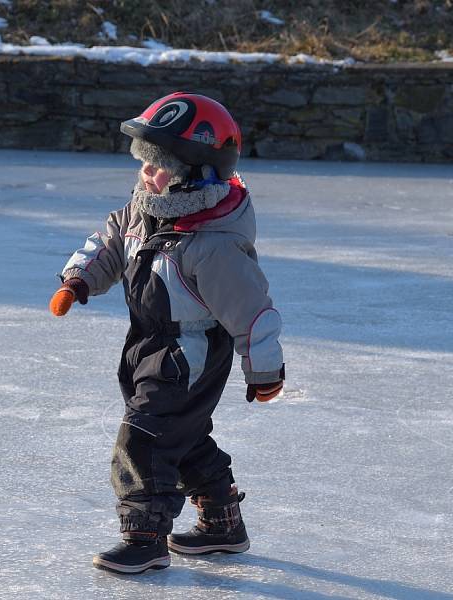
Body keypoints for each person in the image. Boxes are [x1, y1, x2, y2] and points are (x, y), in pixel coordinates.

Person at [50, 92, 284, 574]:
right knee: (184, 434)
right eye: (143, 162)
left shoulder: (213, 245)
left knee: (145, 436)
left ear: (194, 173)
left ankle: (144, 535)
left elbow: (252, 311)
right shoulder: (147, 210)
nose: (145, 174)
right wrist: (79, 278)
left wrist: (264, 369)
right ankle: (222, 521)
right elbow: (112, 240)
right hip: (147, 342)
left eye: (157, 166)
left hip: (190, 353)